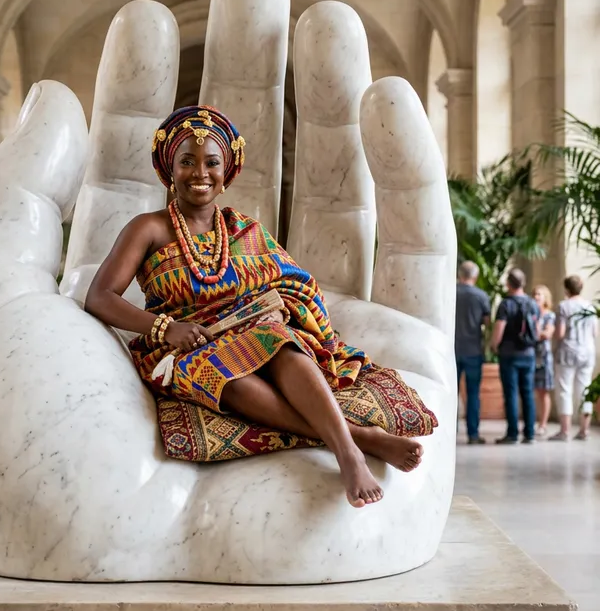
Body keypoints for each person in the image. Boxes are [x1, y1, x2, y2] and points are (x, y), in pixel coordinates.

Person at [85, 105, 438, 509]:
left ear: (227, 172)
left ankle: (347, 453)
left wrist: (278, 310)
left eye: (211, 163)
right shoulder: (147, 228)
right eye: (187, 161)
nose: (200, 173)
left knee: (278, 340)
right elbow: (100, 297)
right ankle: (360, 439)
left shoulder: (245, 229)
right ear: (169, 169)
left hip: (252, 332)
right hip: (187, 346)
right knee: (223, 374)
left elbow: (295, 284)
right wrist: (166, 328)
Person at [490, 268, 540, 444]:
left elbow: (499, 329)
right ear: (523, 283)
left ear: (508, 284)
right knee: (528, 393)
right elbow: (537, 330)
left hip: (509, 354)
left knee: (511, 394)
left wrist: (494, 345)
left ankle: (512, 434)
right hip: (528, 353)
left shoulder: (506, 304)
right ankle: (530, 434)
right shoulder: (533, 304)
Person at [549, 275, 598, 441]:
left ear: (566, 289)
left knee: (564, 390)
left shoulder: (564, 306)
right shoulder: (590, 307)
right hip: (587, 351)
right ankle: (584, 430)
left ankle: (565, 431)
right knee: (585, 390)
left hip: (567, 352)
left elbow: (560, 333)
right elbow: (594, 333)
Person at [455, 261, 491, 445]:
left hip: (450, 350)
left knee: (450, 393)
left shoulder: (450, 293)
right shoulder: (481, 296)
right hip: (473, 350)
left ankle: (449, 432)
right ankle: (473, 434)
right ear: (475, 277)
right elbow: (487, 322)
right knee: (473, 393)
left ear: (459, 274)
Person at [532, 284, 556, 437]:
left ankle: (543, 424)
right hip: (531, 356)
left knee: (543, 392)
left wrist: (535, 330)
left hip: (544, 357)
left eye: (539, 294)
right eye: (534, 294)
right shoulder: (532, 313)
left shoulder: (550, 315)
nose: (536, 297)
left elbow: (547, 334)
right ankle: (532, 422)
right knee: (532, 391)